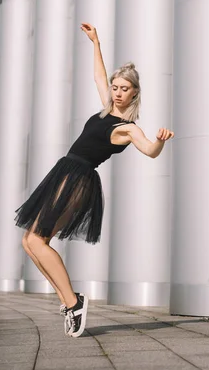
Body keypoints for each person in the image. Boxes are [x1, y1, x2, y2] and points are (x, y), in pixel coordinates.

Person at [15, 23, 174, 338]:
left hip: (79, 178)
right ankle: (68, 301)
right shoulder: (106, 109)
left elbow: (150, 152)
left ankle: (74, 302)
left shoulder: (127, 128)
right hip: (65, 170)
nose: (116, 92)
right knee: (29, 242)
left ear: (134, 94)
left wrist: (160, 141)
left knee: (36, 240)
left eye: (123, 88)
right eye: (115, 87)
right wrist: (96, 43)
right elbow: (99, 76)